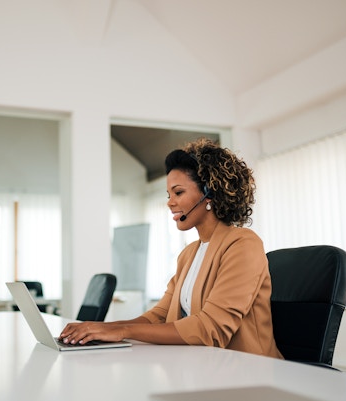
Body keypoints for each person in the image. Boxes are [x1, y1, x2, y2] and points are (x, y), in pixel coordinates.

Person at [59, 137, 283, 358]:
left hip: (250, 372)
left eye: (178, 192)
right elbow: (160, 315)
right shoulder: (188, 254)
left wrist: (123, 331)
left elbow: (211, 328)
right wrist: (106, 328)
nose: (169, 202)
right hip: (206, 368)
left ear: (209, 193)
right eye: (169, 195)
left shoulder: (243, 244)